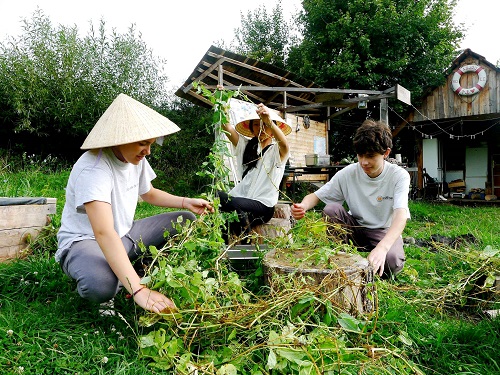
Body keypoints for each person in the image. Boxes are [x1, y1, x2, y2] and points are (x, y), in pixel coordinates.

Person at [56, 93, 213, 313]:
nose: (147, 151)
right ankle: (117, 277)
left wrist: (186, 202)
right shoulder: (94, 168)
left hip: (124, 235)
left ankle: (126, 270)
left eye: (150, 144)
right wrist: (138, 290)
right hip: (86, 242)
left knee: (184, 220)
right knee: (101, 286)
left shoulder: (135, 159)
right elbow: (103, 232)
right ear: (121, 138)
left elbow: (148, 193)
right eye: (142, 144)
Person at [291, 119, 410, 278]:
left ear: (386, 153)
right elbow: (316, 196)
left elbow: (401, 214)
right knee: (331, 210)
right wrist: (303, 206)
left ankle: (378, 255)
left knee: (392, 262)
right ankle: (342, 258)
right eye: (360, 155)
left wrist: (383, 247)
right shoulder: (348, 173)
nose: (364, 162)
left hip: (383, 231)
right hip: (356, 229)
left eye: (370, 156)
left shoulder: (398, 176)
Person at [218, 92, 291, 241]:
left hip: (263, 207)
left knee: (235, 204)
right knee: (217, 196)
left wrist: (269, 120)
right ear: (251, 129)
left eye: (264, 124)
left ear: (272, 129)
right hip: (242, 201)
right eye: (257, 124)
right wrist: (221, 102)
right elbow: (226, 128)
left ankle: (243, 240)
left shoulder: (276, 152)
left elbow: (284, 145)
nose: (261, 127)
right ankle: (224, 247)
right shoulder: (246, 147)